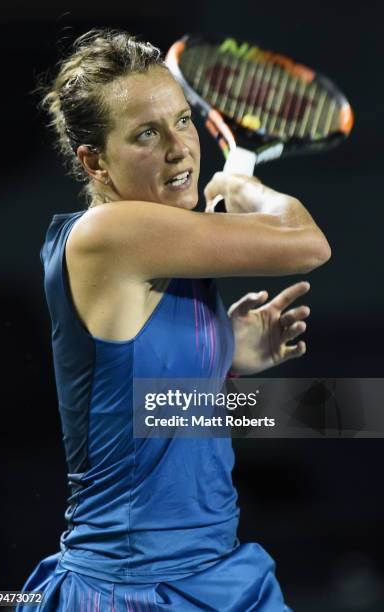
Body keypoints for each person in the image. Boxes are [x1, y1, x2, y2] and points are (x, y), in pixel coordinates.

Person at [17, 29, 330, 612]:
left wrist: (223, 355)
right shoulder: (107, 235)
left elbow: (138, 405)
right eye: (145, 134)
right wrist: (246, 186)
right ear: (94, 162)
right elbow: (307, 243)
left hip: (220, 569)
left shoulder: (167, 241)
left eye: (183, 121)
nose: (178, 147)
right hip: (126, 590)